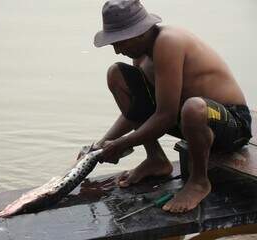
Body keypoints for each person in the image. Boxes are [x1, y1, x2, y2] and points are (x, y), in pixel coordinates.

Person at [91, 0, 252, 213]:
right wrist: (102, 144)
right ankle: (155, 159)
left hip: (231, 122)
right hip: (188, 120)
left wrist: (121, 144)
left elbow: (165, 117)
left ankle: (199, 181)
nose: (117, 51)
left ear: (137, 34)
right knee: (116, 74)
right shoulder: (140, 56)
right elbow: (136, 111)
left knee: (193, 107)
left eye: (119, 43)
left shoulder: (169, 42)